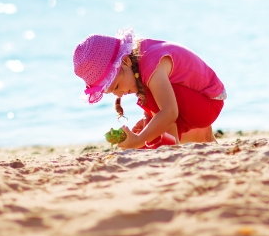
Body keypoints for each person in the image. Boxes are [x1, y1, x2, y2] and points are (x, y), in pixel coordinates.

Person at [73, 29, 226, 149]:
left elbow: (169, 112)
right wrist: (149, 122)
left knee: (154, 110)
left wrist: (139, 140)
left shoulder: (151, 66)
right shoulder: (139, 61)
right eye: (111, 92)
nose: (119, 94)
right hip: (197, 101)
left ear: (125, 61)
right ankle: (195, 136)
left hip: (208, 102)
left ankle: (171, 145)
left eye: (117, 86)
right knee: (150, 128)